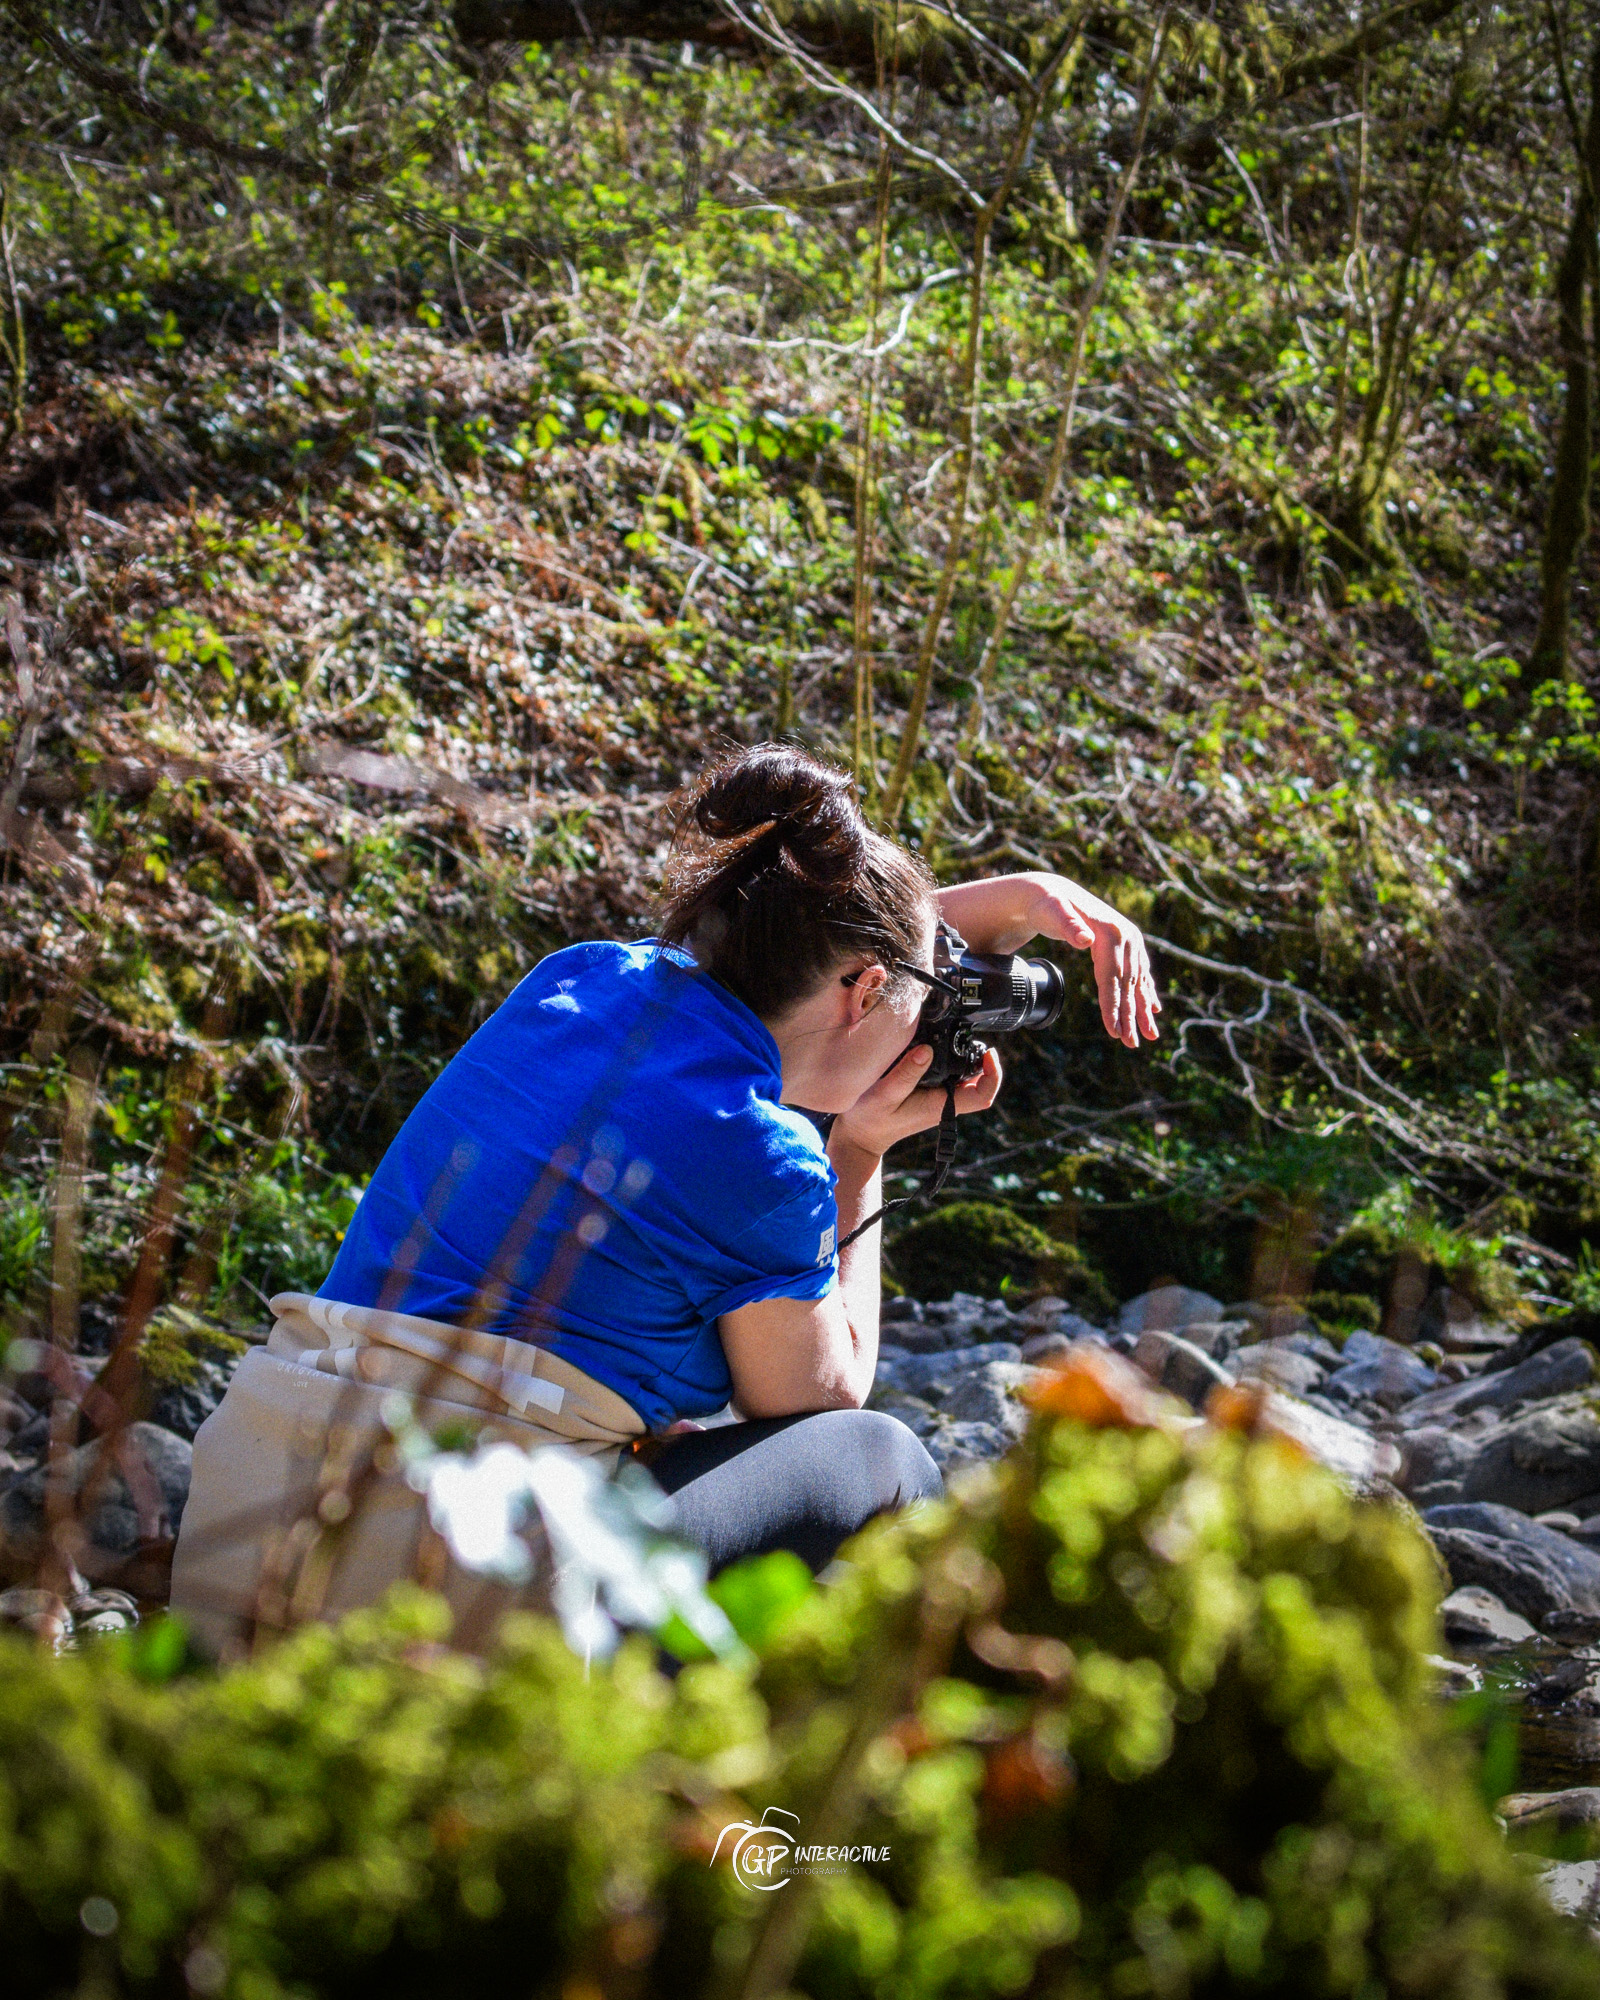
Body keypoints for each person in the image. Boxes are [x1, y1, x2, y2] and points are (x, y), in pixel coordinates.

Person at [171, 744, 1159, 1650]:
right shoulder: (764, 1156)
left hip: (251, 1516)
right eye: (914, 999)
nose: (920, 1021)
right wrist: (859, 1153)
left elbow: (811, 941)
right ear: (864, 992)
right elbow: (823, 1395)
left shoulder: (577, 981)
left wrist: (1012, 901)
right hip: (441, 1587)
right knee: (880, 1460)